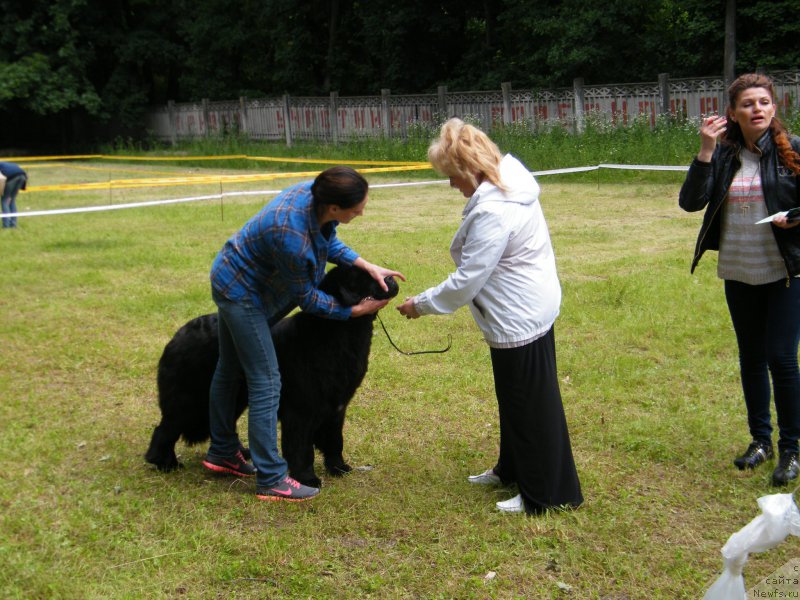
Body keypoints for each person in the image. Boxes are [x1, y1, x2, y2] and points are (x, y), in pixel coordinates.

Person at [396, 118, 583, 515]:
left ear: (469, 169)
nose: (450, 185)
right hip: (527, 309)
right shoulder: (509, 187)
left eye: (451, 175)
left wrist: (421, 304)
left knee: (533, 405)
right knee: (516, 399)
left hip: (519, 316)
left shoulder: (495, 210)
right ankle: (512, 468)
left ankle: (547, 494)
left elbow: (467, 280)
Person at [206, 165, 404, 502]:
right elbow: (308, 299)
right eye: (357, 208)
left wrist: (364, 264)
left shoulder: (311, 196)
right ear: (333, 208)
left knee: (230, 366)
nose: (361, 211)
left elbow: (328, 240)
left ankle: (222, 451)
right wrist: (353, 311)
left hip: (232, 274)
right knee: (266, 380)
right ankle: (271, 477)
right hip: (242, 294)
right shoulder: (292, 239)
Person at [679, 73, 800, 486]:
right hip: (739, 271)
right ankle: (760, 441)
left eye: (764, 102)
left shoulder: (793, 150)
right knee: (751, 358)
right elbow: (690, 203)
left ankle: (792, 449)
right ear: (732, 113)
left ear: (774, 107)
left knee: (782, 360)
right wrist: (706, 149)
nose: (757, 109)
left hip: (785, 272)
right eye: (748, 104)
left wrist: (796, 219)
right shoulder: (725, 155)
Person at [0, 162, 27, 228]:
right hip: (23, 176)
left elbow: (1, 179)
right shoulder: (6, 164)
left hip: (12, 178)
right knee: (12, 200)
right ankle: (13, 224)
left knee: (4, 200)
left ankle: (6, 225)